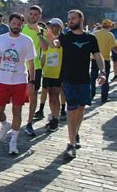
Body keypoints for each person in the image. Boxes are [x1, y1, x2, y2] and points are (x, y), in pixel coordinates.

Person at [43, 10, 106, 159]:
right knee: (72, 110)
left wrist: (102, 72)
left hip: (84, 80)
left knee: (80, 109)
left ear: (81, 19)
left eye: (73, 18)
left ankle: (75, 133)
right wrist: (51, 40)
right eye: (68, 19)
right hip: (68, 80)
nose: (70, 21)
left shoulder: (90, 38)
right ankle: (71, 145)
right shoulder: (66, 36)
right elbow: (56, 44)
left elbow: (98, 56)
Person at [0, 13, 36, 155]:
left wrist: (32, 81)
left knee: (17, 111)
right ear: (9, 23)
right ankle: (5, 125)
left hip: (19, 81)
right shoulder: (1, 39)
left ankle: (13, 142)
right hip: (3, 80)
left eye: (19, 24)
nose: (16, 26)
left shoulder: (27, 41)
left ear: (22, 25)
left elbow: (30, 63)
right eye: (14, 23)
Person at [38, 18, 64, 132]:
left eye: (53, 26)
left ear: (59, 27)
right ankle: (53, 117)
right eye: (49, 26)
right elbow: (44, 55)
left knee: (55, 95)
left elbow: (55, 45)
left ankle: (55, 119)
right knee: (50, 95)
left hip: (58, 72)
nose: (50, 28)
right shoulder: (47, 39)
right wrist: (40, 69)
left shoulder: (62, 39)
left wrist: (51, 39)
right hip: (48, 72)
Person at [21, 5, 44, 136]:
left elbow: (45, 48)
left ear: (39, 16)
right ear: (27, 14)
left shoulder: (42, 31)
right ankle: (15, 123)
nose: (33, 16)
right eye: (31, 14)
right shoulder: (22, 28)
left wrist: (39, 33)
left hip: (35, 67)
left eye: (36, 14)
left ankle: (29, 123)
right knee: (18, 95)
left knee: (33, 94)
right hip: (20, 67)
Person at [91, 19, 116, 104]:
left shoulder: (95, 33)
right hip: (105, 59)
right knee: (105, 78)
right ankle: (104, 97)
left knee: (93, 77)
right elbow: (114, 48)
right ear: (110, 26)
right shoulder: (110, 35)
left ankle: (91, 94)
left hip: (94, 58)